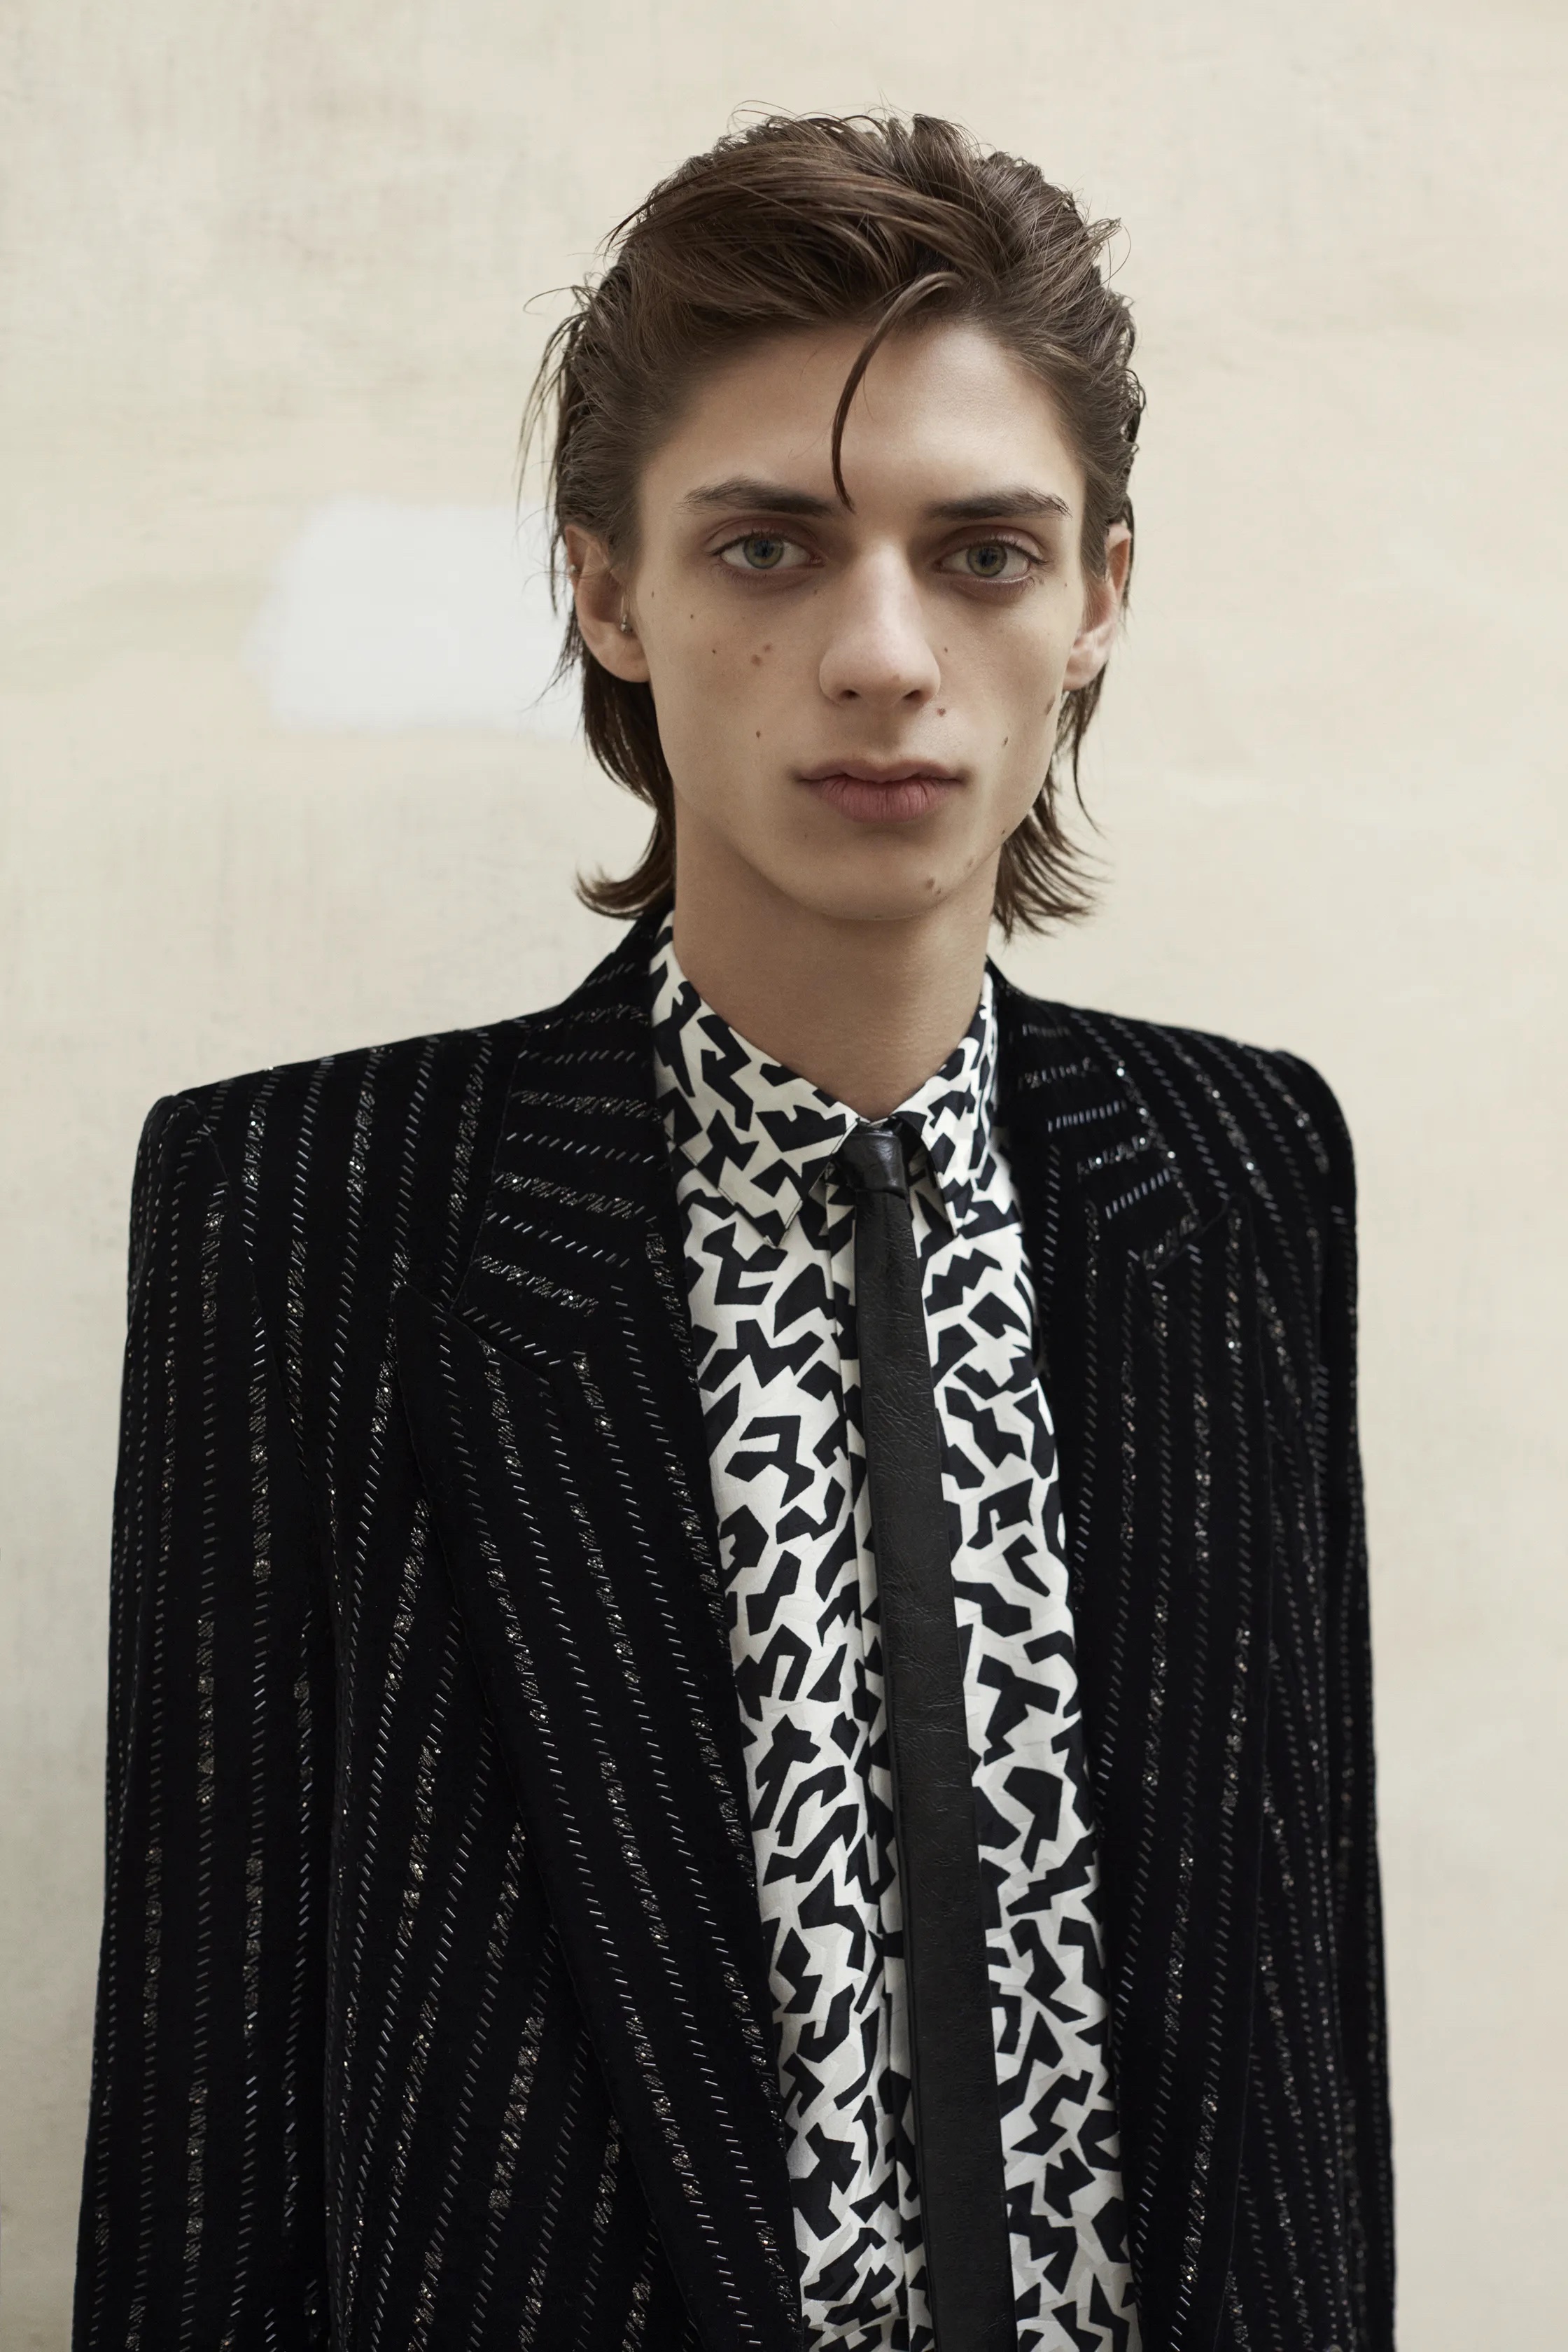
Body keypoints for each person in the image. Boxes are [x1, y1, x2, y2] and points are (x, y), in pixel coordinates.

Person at [74, 111, 1392, 2352]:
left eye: (983, 553)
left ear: (1100, 598)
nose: (882, 653)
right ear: (609, 590)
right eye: (769, 547)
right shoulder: (302, 1217)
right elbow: (206, 2126)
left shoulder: (1243, 1171)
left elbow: (1303, 2034)